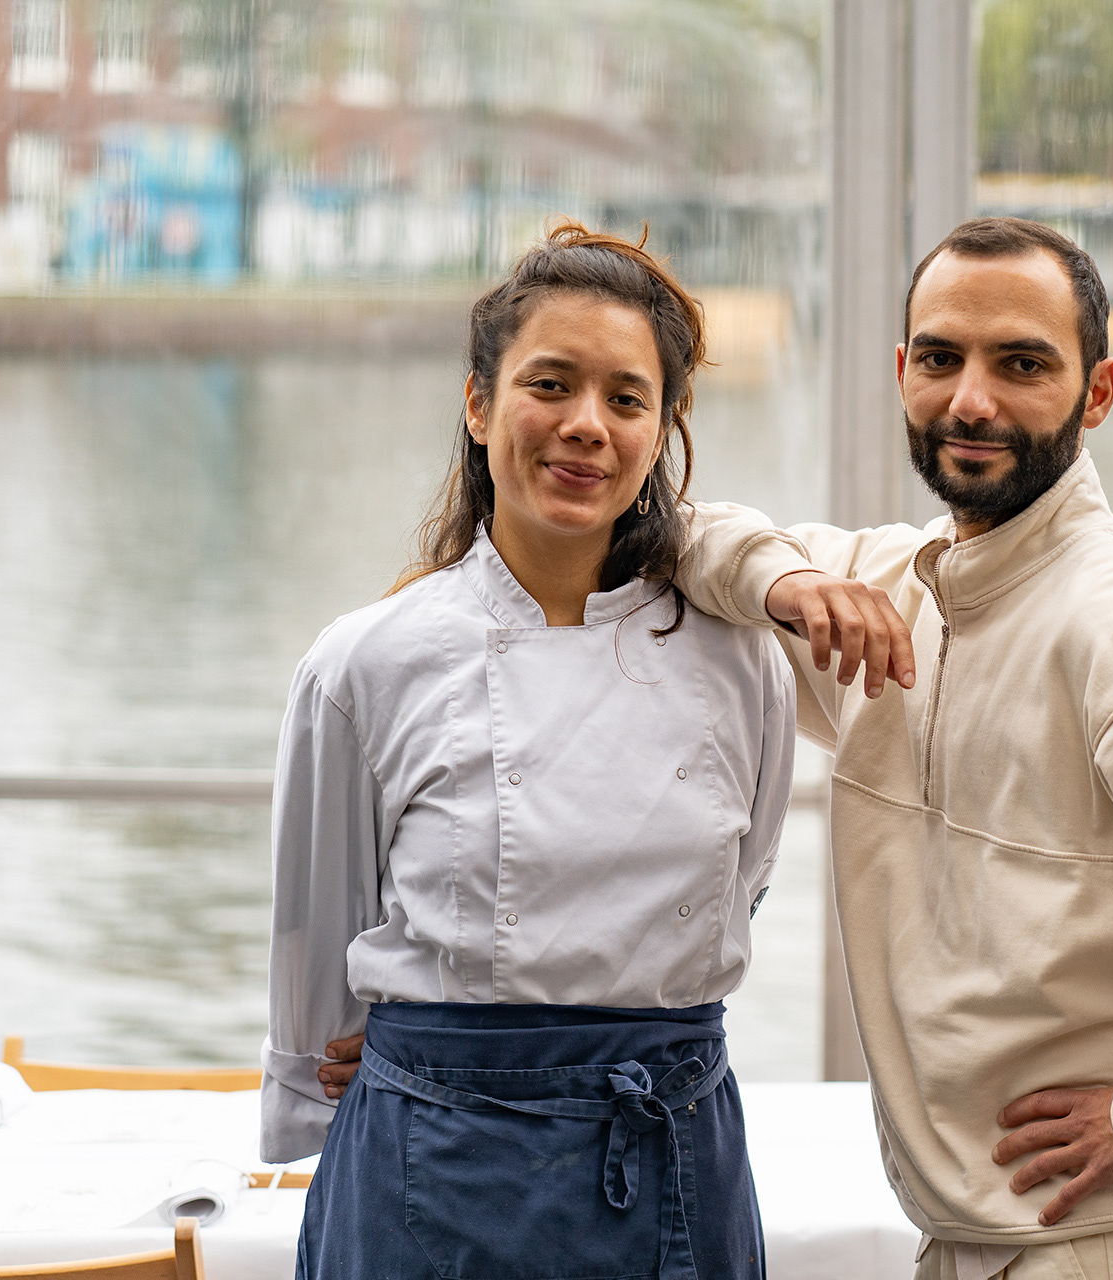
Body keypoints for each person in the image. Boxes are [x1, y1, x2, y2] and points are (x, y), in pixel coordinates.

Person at [673, 217, 1113, 1280]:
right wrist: (780, 582)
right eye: (941, 358)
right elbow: (675, 527)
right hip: (982, 1236)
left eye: (1021, 364)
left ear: (1097, 394)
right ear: (901, 372)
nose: (972, 399)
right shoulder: (896, 587)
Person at [259, 223, 795, 1280]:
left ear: (660, 428)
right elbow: (317, 959)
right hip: (432, 1171)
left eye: (626, 398)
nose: (585, 426)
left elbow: (745, 882)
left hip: (671, 1148)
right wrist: (423, 1048)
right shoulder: (366, 662)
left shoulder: (744, 662)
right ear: (478, 403)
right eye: (550, 383)